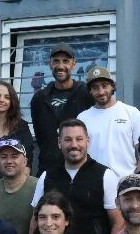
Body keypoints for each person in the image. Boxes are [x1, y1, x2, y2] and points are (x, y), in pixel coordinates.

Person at [31, 119, 121, 234]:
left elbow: (118, 222)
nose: (74, 145)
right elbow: (35, 220)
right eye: (67, 139)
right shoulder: (46, 176)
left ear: (88, 141)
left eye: (79, 139)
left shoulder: (106, 176)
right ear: (59, 143)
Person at [30, 43, 93, 173]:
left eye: (66, 61)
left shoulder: (86, 94)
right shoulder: (39, 99)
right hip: (48, 169)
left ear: (73, 64)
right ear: (50, 64)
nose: (60, 66)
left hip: (81, 169)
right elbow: (40, 136)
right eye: (56, 61)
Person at [78, 65, 140, 177]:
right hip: (93, 183)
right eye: (95, 87)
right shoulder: (82, 118)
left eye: (104, 86)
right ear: (90, 91)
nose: (101, 92)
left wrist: (135, 178)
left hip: (125, 184)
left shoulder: (132, 113)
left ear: (112, 87)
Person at [0, 79, 35, 179]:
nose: (1, 100)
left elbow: (27, 160)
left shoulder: (21, 127)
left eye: (7, 97)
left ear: (12, 102)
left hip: (11, 186)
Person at [0, 137, 38, 234]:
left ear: (25, 161)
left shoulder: (38, 187)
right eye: (3, 157)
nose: (9, 161)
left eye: (14, 156)